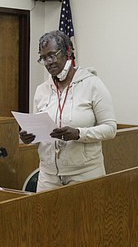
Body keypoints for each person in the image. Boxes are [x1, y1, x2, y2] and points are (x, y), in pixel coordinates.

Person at [18, 30, 116, 191]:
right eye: (43, 58)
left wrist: (78, 133)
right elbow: (40, 131)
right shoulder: (41, 90)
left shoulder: (92, 84)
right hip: (48, 174)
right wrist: (30, 136)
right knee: (45, 216)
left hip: (85, 173)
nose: (48, 62)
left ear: (68, 53)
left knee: (84, 216)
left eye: (52, 55)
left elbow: (110, 129)